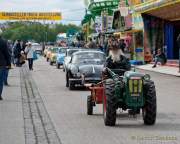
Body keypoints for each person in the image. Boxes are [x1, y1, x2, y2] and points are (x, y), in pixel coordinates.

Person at [0, 29, 11, 100]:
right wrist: (9, 64)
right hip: (1, 64)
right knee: (0, 80)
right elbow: (7, 54)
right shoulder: (3, 42)